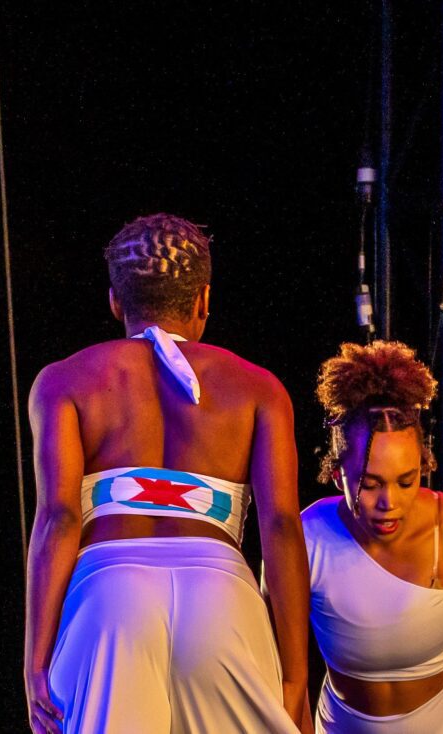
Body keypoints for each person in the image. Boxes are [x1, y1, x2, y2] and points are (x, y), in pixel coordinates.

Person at [24, 213, 312, 733]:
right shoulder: (259, 387)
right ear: (203, 298)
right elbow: (282, 530)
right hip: (220, 600)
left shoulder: (64, 380)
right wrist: (295, 679)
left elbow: (59, 520)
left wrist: (35, 662)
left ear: (115, 300)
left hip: (110, 596)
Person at [301, 341, 443, 733]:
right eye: (371, 484)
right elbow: (275, 658)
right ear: (339, 472)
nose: (389, 502)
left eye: (406, 481)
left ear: (424, 465)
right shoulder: (306, 537)